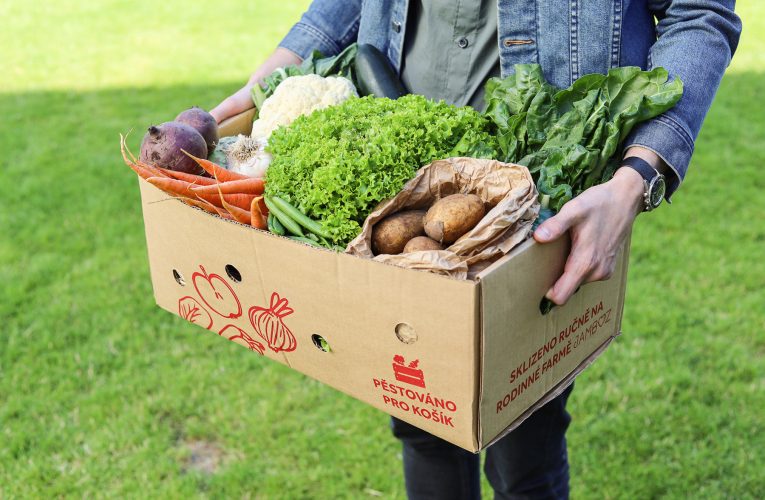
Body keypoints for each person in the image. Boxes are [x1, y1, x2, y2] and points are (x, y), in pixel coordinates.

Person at [212, 2, 741, 498]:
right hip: (397, 165)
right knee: (419, 416)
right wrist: (276, 71)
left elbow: (699, 11)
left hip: (533, 187)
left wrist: (636, 179)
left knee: (524, 443)